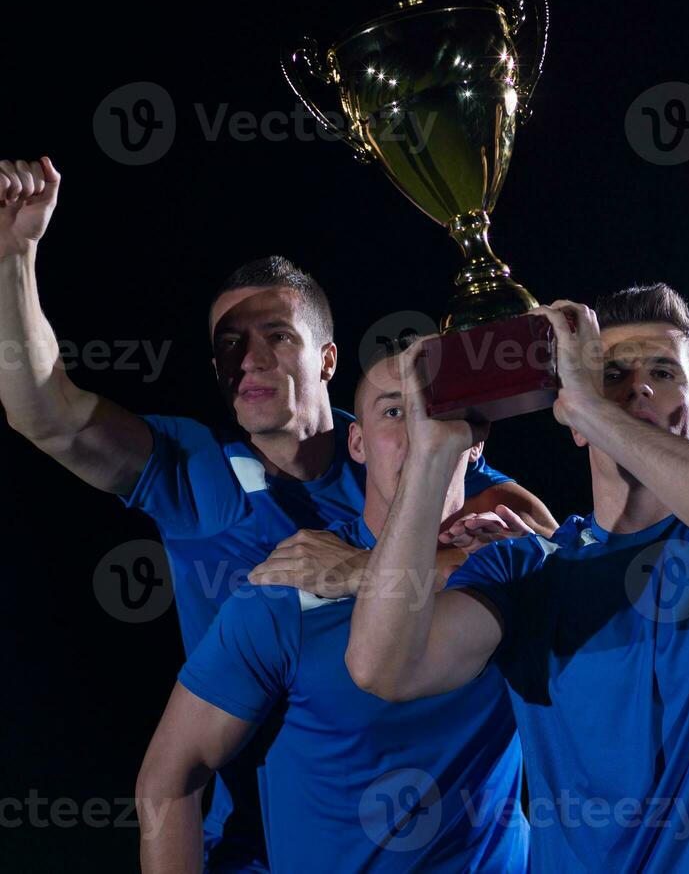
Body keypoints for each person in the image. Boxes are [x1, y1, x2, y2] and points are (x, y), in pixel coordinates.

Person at [0, 157, 554, 872]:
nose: (248, 358)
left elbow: (535, 539)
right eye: (228, 344)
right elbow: (46, 412)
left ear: (326, 359)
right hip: (262, 839)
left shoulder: (395, 443)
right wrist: (16, 256)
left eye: (276, 336)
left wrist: (364, 571)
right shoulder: (192, 471)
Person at [346, 284, 689, 872]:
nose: (639, 387)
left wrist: (597, 408)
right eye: (612, 374)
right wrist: (431, 455)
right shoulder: (526, 567)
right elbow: (382, 666)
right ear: (573, 425)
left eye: (662, 371)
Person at [135, 339, 529, 872]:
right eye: (394, 411)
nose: (420, 433)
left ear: (475, 441)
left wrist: (373, 573)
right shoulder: (287, 592)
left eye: (438, 412)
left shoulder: (521, 567)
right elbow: (167, 782)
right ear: (358, 444)